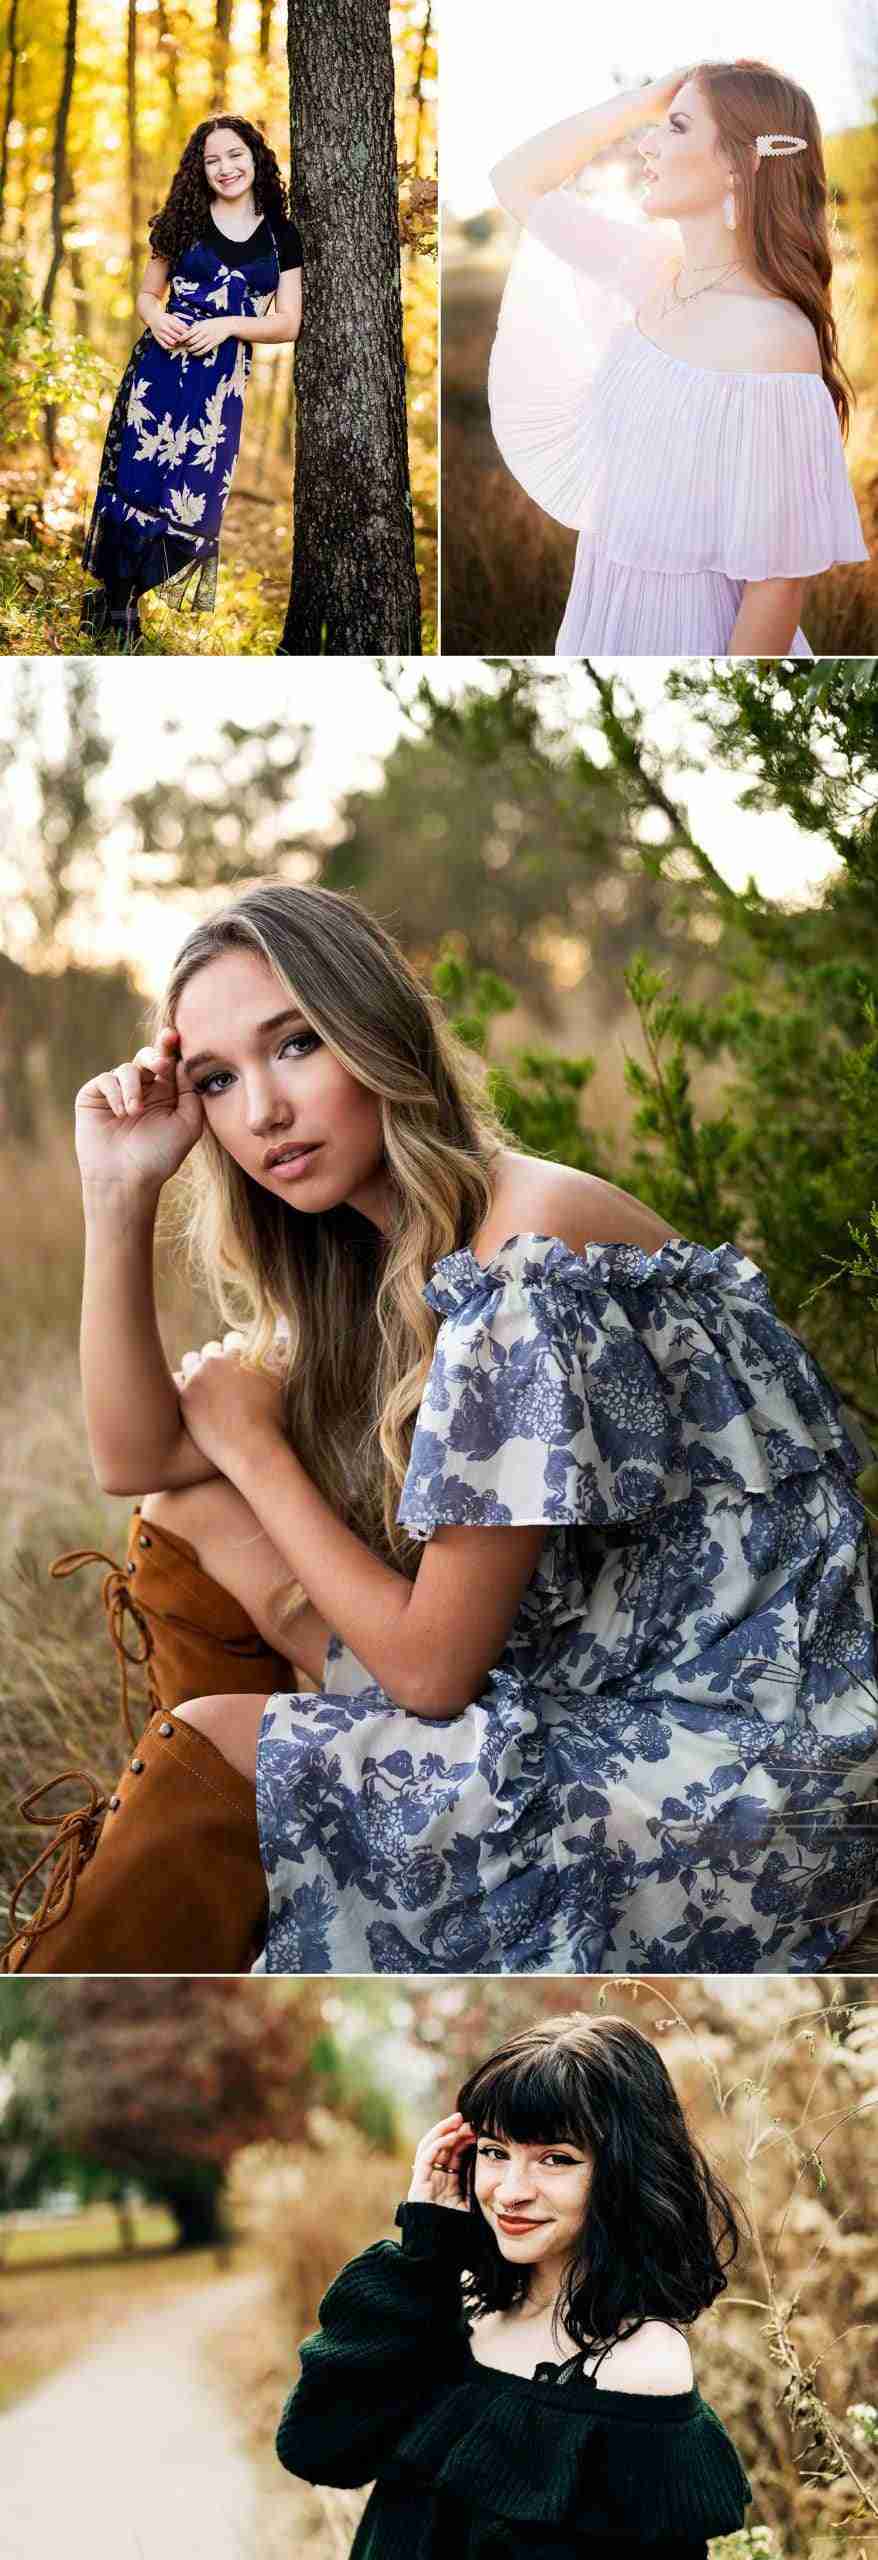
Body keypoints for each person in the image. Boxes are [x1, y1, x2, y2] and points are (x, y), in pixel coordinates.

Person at [3, 882, 876, 1978]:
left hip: (742, 1773)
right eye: (219, 1080)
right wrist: (116, 1190)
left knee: (221, 1737)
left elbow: (429, 1675)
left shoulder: (524, 1253)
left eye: (297, 1044)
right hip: (598, 1690)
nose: (263, 1109)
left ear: (378, 1032)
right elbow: (135, 1462)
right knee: (184, 1514)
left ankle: (142, 1948)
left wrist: (257, 1448)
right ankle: (235, 1913)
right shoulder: (376, 1259)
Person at [275, 2012, 753, 2558]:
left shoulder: (638, 2364)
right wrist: (427, 2246)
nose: (510, 2191)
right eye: (495, 2152)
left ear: (623, 2175)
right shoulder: (455, 2306)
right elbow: (316, 2449)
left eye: (556, 2159)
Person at [488, 61, 868, 655]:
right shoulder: (652, 268)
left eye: (678, 128)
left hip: (696, 637)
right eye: (657, 128)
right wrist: (642, 102)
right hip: (601, 625)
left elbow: (775, 587)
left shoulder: (774, 338)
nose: (647, 146)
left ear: (740, 166)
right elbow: (516, 180)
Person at [81, 115, 303, 649]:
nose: (225, 168)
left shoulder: (281, 234)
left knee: (191, 507)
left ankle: (119, 596)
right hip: (157, 376)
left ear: (255, 157)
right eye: (212, 160)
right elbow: (145, 295)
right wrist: (155, 319)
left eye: (234, 155)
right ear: (199, 170)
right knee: (135, 490)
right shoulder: (182, 220)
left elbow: (287, 322)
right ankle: (118, 607)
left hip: (218, 390)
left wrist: (228, 325)